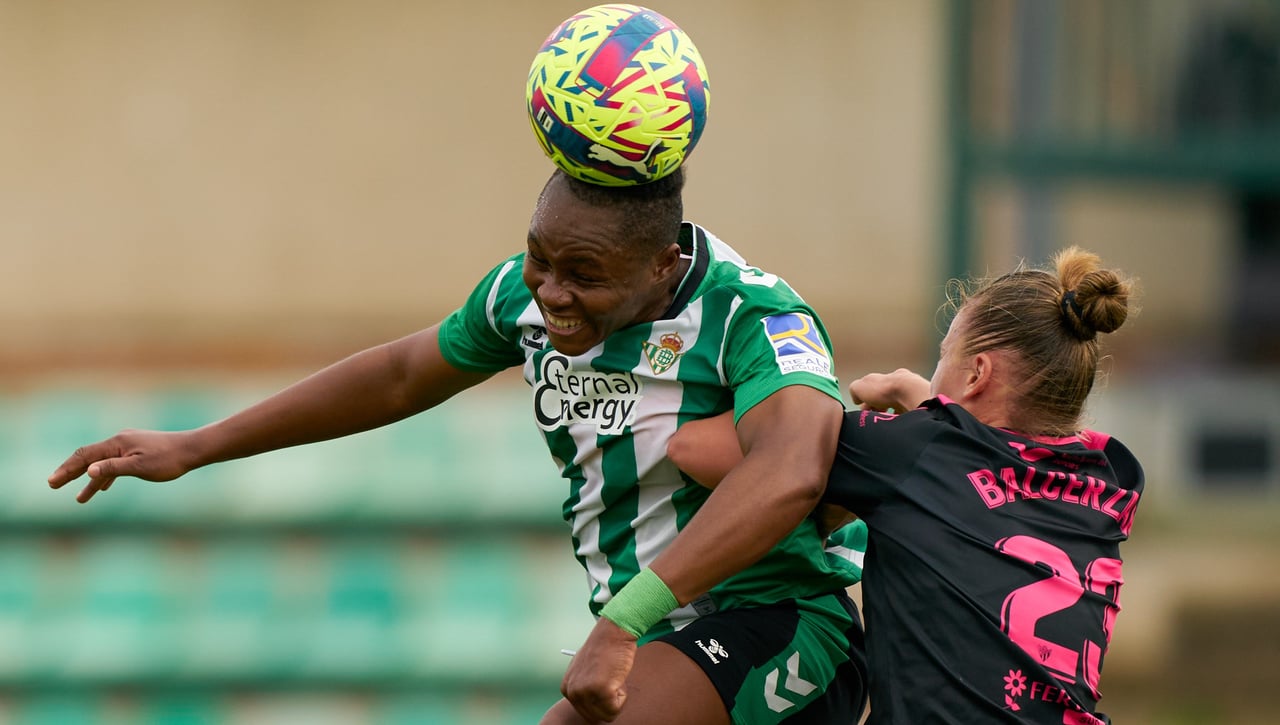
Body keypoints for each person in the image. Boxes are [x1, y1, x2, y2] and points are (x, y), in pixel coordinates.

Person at [48, 166, 868, 725]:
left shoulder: (754, 315)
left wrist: (624, 621)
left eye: (584, 274)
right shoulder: (521, 299)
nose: (552, 292)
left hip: (780, 621)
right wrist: (195, 445)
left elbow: (792, 470)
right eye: (540, 258)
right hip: (653, 641)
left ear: (661, 265)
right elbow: (400, 374)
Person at [669, 246, 1142, 724]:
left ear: (977, 374)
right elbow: (980, 463)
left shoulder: (912, 450)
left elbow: (693, 448)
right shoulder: (1108, 482)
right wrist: (921, 396)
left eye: (944, 355)